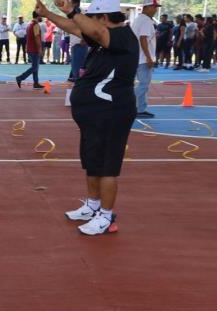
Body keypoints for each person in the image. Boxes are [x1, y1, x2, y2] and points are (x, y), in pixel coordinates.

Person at [36, 0, 138, 236]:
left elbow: (91, 29)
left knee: (107, 167)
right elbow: (75, 28)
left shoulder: (122, 36)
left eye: (91, 17)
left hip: (112, 115)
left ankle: (105, 215)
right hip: (94, 115)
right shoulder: (103, 38)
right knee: (93, 162)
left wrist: (72, 10)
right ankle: (92, 206)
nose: (87, 22)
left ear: (103, 18)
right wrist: (49, 13)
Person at [132, 0, 158, 119]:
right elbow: (143, 39)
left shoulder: (138, 19)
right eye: (154, 7)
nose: (155, 9)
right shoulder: (146, 20)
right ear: (147, 7)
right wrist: (148, 57)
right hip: (143, 58)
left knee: (140, 84)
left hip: (136, 57)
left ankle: (137, 107)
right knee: (143, 84)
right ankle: (138, 108)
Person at [15, 12, 43, 89]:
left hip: (30, 48)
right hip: (34, 49)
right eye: (41, 16)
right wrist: (40, 49)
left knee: (35, 66)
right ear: (38, 16)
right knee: (34, 67)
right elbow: (37, 38)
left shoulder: (29, 25)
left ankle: (36, 83)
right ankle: (20, 78)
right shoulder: (35, 25)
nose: (42, 17)